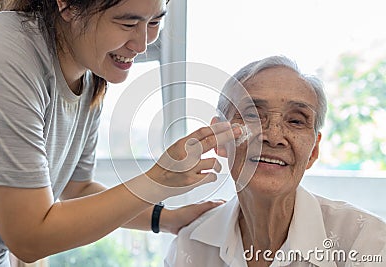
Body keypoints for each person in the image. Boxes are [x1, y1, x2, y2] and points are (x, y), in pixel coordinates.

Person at [0, 0, 243, 265]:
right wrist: (159, 180)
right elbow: (29, 238)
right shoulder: (7, 50)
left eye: (154, 22)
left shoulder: (88, 77)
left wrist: (165, 219)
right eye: (128, 24)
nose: (142, 45)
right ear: (68, 6)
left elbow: (78, 188)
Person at [165, 55, 386, 267]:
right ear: (219, 138)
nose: (273, 136)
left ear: (313, 151)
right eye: (252, 115)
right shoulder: (191, 246)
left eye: (296, 121)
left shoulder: (366, 242)